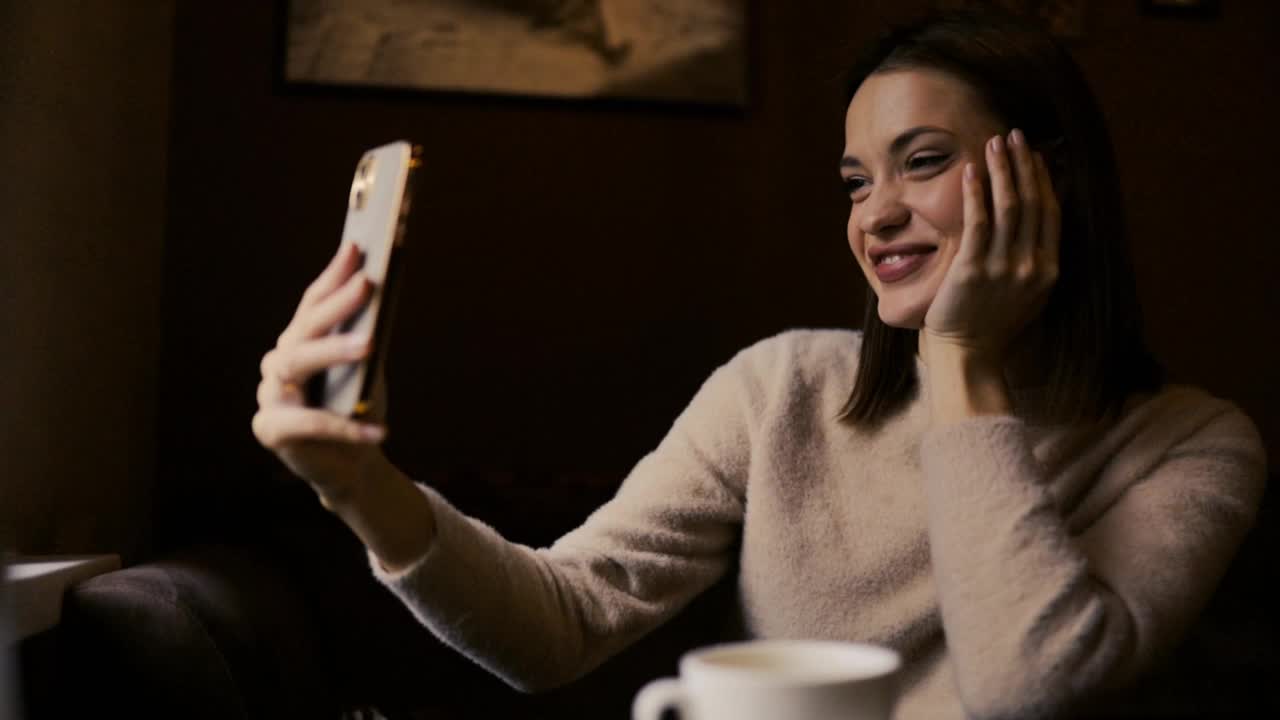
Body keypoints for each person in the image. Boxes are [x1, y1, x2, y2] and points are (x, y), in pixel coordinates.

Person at [251, 10, 1266, 719]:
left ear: (1047, 179)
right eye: (853, 182)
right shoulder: (781, 389)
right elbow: (556, 626)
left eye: (920, 162)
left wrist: (960, 356)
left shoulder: (1190, 444)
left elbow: (1024, 689)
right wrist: (355, 485)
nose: (874, 215)